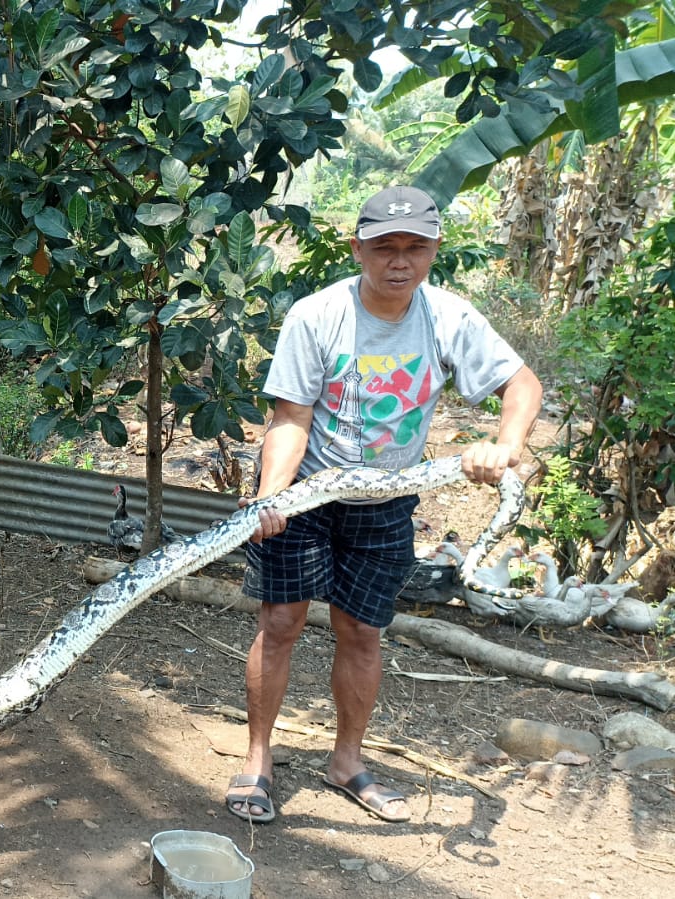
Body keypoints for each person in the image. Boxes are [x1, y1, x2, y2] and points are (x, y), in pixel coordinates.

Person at [226, 185, 543, 825]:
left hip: (387, 499)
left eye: (415, 248)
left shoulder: (449, 318)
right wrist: (272, 497)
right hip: (308, 492)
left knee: (363, 631)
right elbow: (290, 417)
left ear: (434, 251)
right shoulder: (316, 316)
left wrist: (506, 445)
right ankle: (257, 759)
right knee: (281, 622)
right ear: (358, 250)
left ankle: (346, 762)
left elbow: (521, 383)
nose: (399, 261)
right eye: (384, 248)